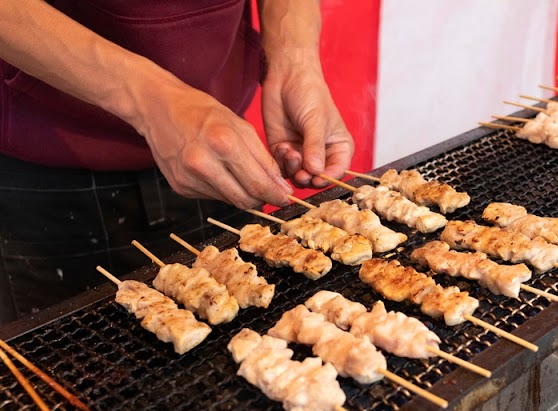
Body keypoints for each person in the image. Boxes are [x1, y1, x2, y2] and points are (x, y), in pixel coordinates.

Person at [0, 0, 354, 325]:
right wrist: (149, 98)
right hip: (50, 171)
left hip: (217, 148)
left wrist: (293, 59)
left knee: (254, 324)